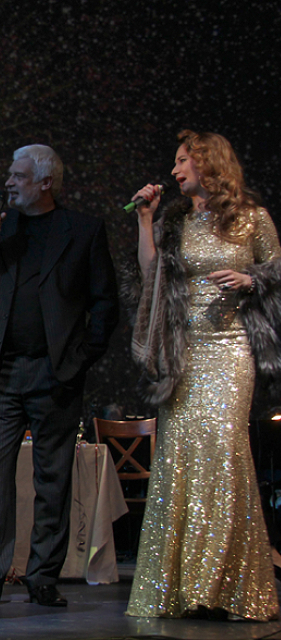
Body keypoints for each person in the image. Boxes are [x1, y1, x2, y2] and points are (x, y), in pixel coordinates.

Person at [0, 144, 118, 608]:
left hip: (55, 372)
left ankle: (43, 576)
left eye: (19, 176)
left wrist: (80, 358)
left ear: (46, 183)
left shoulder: (83, 230)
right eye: (9, 174)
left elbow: (106, 303)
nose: (8, 182)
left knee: (53, 478)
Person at [126, 130, 281, 621]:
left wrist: (251, 278)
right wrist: (145, 220)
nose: (174, 171)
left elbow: (278, 269)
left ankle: (232, 588)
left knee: (224, 452)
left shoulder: (251, 219)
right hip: (185, 354)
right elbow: (151, 276)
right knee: (179, 459)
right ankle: (180, 588)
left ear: (209, 162)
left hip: (231, 350)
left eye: (182, 160)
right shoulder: (175, 221)